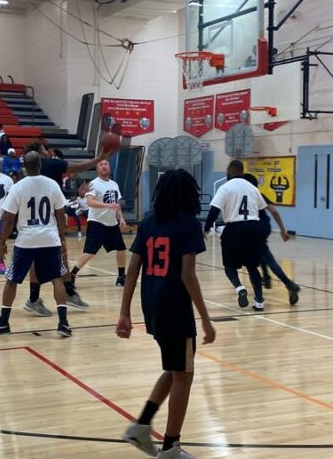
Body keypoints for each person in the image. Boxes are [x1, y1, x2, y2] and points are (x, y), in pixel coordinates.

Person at [116, 169, 216, 459]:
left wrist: (124, 313)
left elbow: (132, 270)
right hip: (175, 306)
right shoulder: (188, 226)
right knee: (185, 374)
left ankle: (142, 425)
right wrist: (206, 320)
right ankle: (171, 447)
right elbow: (188, 275)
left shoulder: (148, 223)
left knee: (175, 368)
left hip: (153, 305)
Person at [0, 151, 72, 337]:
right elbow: (60, 214)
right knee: (57, 278)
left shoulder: (18, 187)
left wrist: (2, 241)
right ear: (40, 164)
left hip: (26, 241)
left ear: (24, 166)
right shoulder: (52, 184)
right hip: (50, 239)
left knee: (12, 280)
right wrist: (62, 239)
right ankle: (63, 323)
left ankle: (3, 322)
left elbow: (8, 218)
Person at [23, 140, 109, 316]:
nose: (47, 152)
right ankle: (61, 293)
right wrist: (98, 159)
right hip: (51, 217)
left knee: (39, 259)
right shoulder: (51, 163)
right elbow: (76, 167)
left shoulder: (28, 174)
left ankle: (49, 295)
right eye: (44, 150)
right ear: (40, 153)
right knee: (60, 256)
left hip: (32, 219)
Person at [204, 160, 268, 311]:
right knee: (253, 267)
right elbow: (262, 210)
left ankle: (240, 288)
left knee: (229, 266)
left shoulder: (226, 187)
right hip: (253, 229)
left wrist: (206, 227)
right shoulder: (253, 188)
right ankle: (259, 301)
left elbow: (214, 210)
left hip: (234, 229)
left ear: (231, 171)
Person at [242, 173, 300, 305]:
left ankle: (289, 284)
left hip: (254, 228)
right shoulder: (258, 193)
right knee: (261, 252)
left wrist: (283, 230)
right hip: (264, 227)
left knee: (264, 257)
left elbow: (274, 211)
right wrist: (282, 230)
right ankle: (267, 277)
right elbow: (273, 211)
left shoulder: (248, 195)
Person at [70, 160, 127, 290]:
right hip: (97, 223)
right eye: (101, 165)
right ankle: (72, 274)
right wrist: (108, 205)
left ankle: (121, 276)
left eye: (106, 164)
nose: (104, 166)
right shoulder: (93, 184)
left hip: (111, 223)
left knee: (121, 249)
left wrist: (121, 218)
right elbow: (90, 202)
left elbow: (116, 205)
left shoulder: (114, 184)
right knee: (90, 253)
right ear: (97, 169)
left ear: (109, 167)